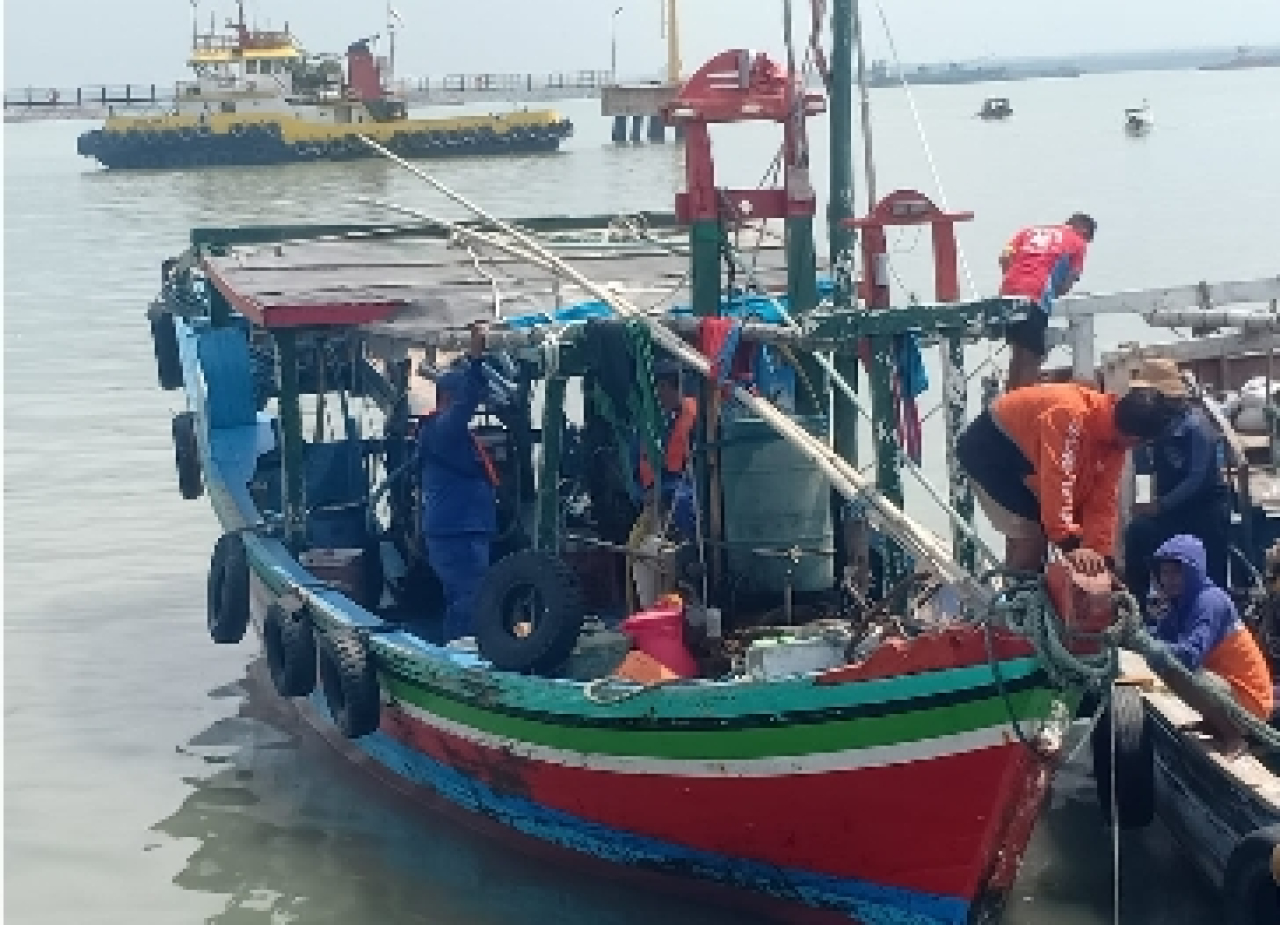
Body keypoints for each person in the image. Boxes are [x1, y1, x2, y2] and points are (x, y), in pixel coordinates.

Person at [956, 370, 1179, 574]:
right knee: (1031, 533)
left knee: (1052, 531)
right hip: (991, 450)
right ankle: (1018, 607)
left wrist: (1100, 554)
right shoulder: (1071, 415)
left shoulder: (1115, 442)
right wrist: (1069, 543)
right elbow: (1058, 477)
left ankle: (1026, 592)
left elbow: (1102, 501)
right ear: (1135, 438)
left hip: (1025, 459)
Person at [1149, 534, 1274, 753]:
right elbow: (1159, 638)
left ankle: (1234, 737)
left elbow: (1190, 655)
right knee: (1167, 666)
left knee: (1176, 670)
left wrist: (1152, 647)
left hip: (1250, 702)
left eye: (1177, 572)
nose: (1170, 579)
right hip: (1227, 691)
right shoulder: (1178, 603)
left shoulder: (1210, 601)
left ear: (1194, 571)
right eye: (1165, 572)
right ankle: (1215, 723)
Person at [416, 323, 499, 643]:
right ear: (448, 398)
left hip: (464, 527)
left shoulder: (447, 434)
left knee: (466, 595)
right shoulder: (442, 430)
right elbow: (465, 405)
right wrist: (476, 360)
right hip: (457, 531)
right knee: (468, 597)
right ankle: (461, 655)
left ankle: (460, 648)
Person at [1124, 361, 1232, 601]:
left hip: (1205, 510)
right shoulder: (1150, 425)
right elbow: (1142, 468)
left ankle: (1218, 617)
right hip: (1171, 512)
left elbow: (1197, 478)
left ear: (1163, 396)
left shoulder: (1197, 427)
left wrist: (1159, 505)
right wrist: (1142, 504)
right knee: (1137, 533)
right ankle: (1136, 609)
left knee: (1211, 573)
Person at [1000, 213, 1097, 390]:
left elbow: (1004, 258)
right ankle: (1022, 407)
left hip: (1008, 293)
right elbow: (1071, 277)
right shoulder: (1077, 241)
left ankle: (1008, 403)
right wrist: (1053, 293)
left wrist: (1015, 281)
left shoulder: (1028, 231)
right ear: (1084, 229)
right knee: (1032, 357)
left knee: (1017, 355)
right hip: (1036, 293)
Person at [628, 362, 698, 608]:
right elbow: (635, 462)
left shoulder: (697, 416)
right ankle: (648, 605)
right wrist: (644, 493)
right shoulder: (650, 422)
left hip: (685, 487)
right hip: (653, 493)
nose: (658, 397)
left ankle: (693, 560)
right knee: (637, 547)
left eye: (661, 390)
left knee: (685, 505)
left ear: (672, 388)